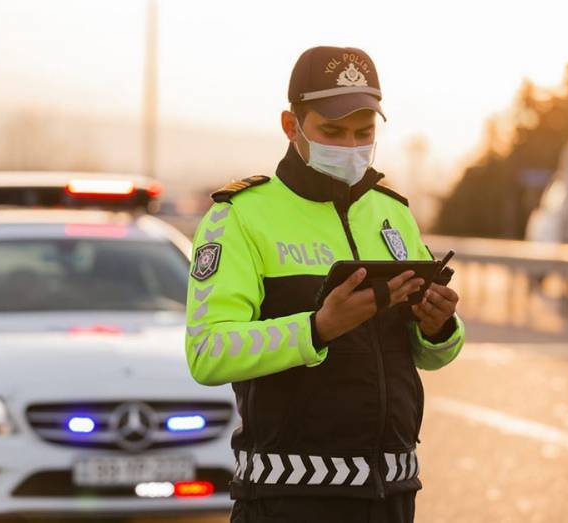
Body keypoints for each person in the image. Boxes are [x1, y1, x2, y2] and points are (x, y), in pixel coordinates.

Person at [185, 46, 465, 523]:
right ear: (291, 126)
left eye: (364, 132)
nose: (351, 145)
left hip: (393, 491)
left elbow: (428, 354)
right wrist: (316, 329)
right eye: (332, 131)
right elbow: (208, 352)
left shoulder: (392, 212)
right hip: (288, 498)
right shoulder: (238, 216)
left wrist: (438, 328)